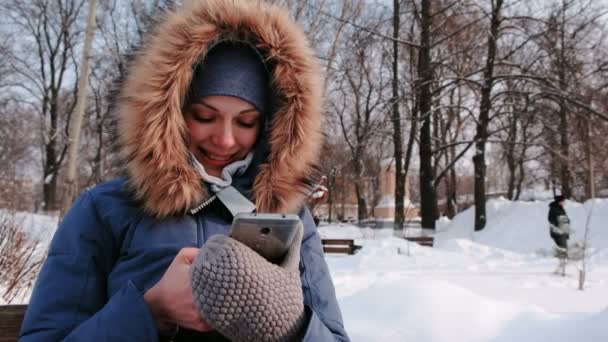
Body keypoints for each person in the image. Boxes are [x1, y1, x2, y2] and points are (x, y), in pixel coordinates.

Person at [19, 0, 349, 341]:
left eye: (246, 122)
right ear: (171, 114)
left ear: (269, 127)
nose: (224, 139)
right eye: (204, 117)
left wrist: (292, 327)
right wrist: (150, 311)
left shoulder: (290, 219)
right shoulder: (104, 210)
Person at [548, 194, 570, 275]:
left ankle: (560, 268)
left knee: (563, 250)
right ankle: (561, 269)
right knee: (562, 250)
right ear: (560, 201)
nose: (565, 202)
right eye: (564, 201)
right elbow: (551, 220)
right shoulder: (554, 209)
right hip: (558, 232)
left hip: (563, 232)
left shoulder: (560, 208)